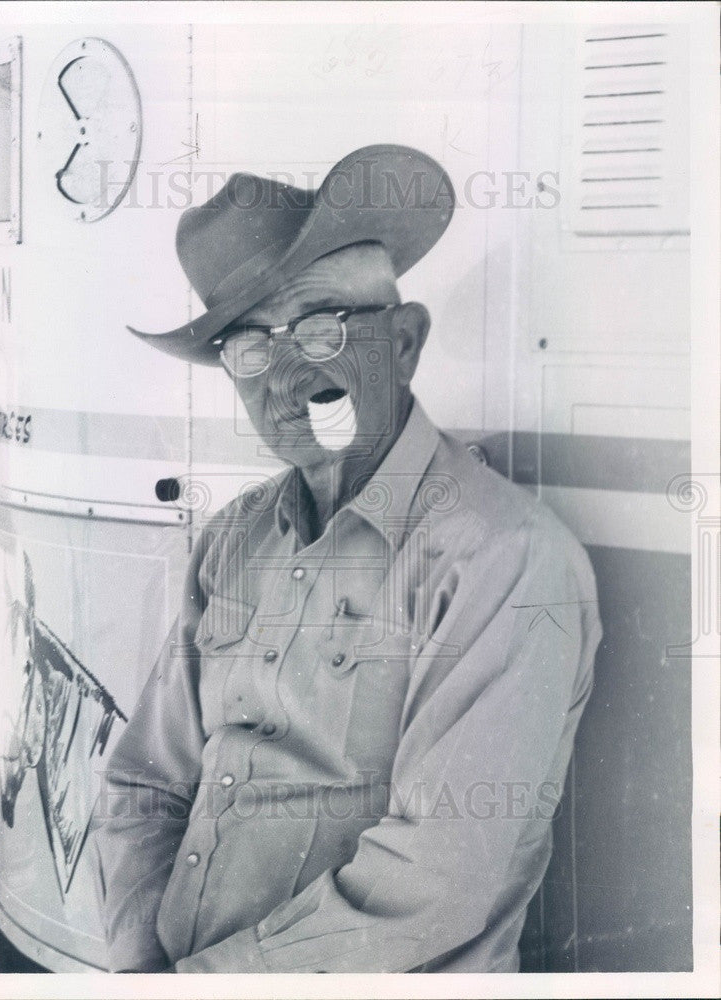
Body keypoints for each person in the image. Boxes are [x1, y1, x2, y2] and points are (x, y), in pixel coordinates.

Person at [92, 145, 602, 973]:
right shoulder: (233, 538)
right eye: (248, 346)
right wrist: (139, 968)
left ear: (403, 343)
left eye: (321, 329)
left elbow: (435, 879)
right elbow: (142, 786)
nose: (284, 376)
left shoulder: (503, 559)